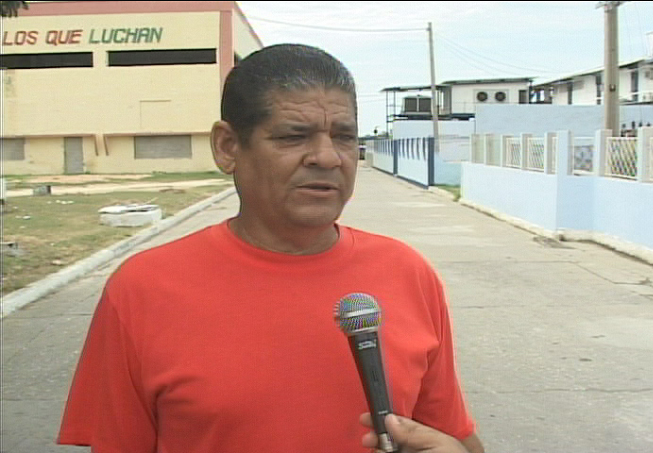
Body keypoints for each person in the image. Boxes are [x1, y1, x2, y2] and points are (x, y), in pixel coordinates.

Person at [57, 44, 484, 453]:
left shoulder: (407, 272)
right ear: (228, 147)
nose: (327, 157)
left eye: (343, 137)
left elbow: (450, 433)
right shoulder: (143, 289)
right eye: (294, 136)